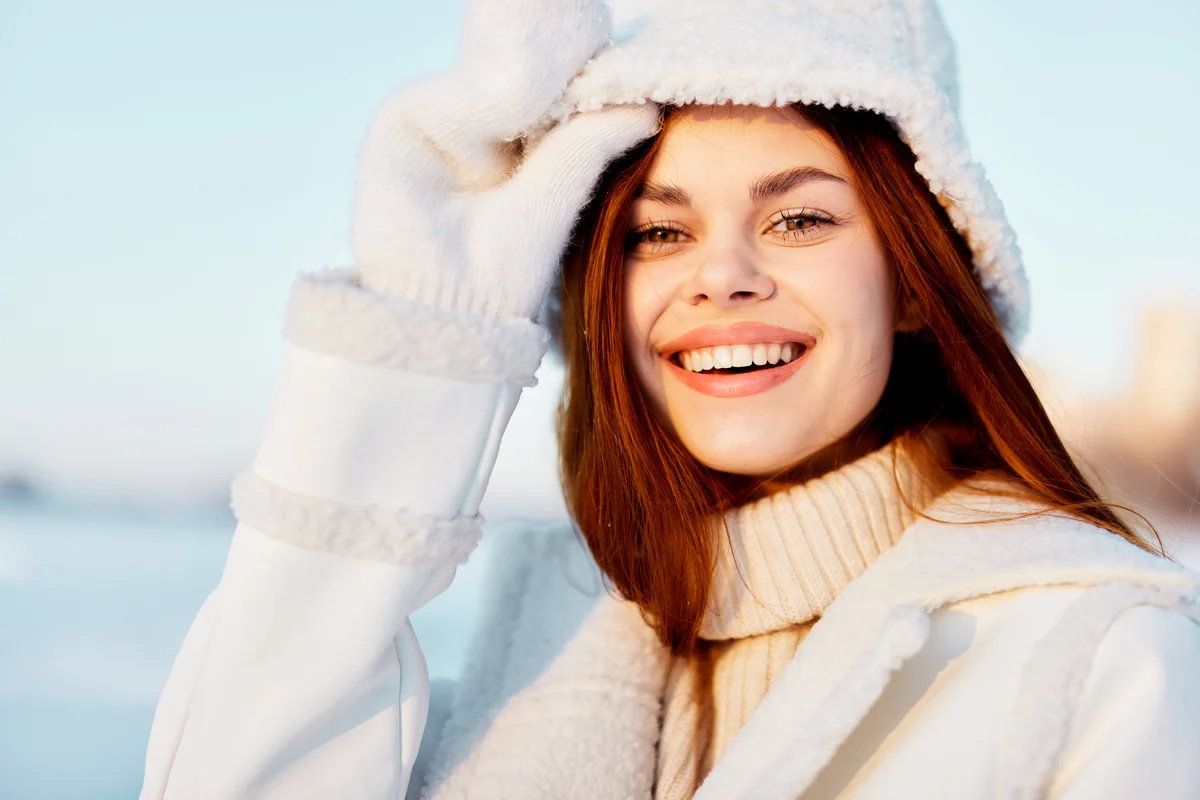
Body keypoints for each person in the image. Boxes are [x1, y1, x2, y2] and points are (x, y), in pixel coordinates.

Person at [139, 0, 1200, 797]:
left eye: (800, 220)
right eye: (660, 230)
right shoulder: (543, 658)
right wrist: (416, 355)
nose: (721, 276)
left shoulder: (1098, 655)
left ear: (917, 280)